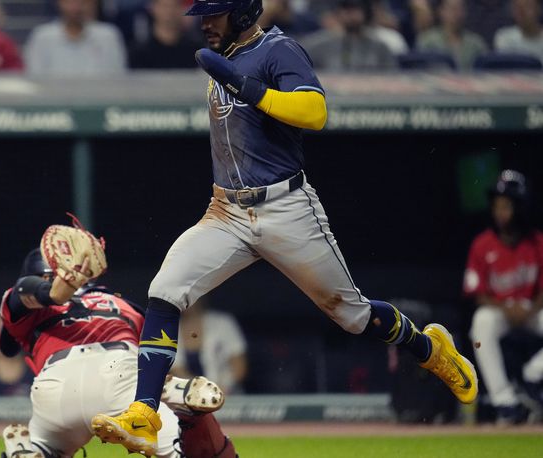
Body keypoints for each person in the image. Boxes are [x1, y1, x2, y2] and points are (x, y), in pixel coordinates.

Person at [92, 0, 478, 453]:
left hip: (286, 208)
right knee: (165, 290)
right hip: (227, 212)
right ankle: (144, 412)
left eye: (214, 15)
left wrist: (247, 87)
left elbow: (315, 113)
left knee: (352, 316)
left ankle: (429, 348)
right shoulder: (226, 55)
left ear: (240, 13)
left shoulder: (279, 49)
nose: (204, 24)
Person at [0, 248, 237, 458]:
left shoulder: (30, 310)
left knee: (45, 446)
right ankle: (176, 398)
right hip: (119, 372)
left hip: (55, 385)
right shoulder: (124, 305)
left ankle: (35, 449)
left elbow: (19, 299)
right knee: (195, 449)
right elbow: (155, 355)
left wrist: (50, 290)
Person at [465, 170, 543, 425]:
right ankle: (505, 401)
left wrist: (530, 309)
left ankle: (535, 373)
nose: (501, 212)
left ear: (520, 207)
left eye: (507, 206)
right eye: (497, 206)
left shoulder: (537, 242)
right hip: (501, 311)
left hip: (532, 309)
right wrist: (507, 309)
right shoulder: (482, 244)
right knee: (482, 321)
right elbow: (478, 294)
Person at [24, 0, 126, 77]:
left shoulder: (108, 36)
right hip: (53, 101)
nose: (76, 7)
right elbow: (34, 78)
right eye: (70, 1)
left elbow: (117, 78)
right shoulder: (42, 36)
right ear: (59, 3)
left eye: (83, 2)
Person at [172, 297, 248, 394]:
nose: (185, 302)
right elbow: (176, 369)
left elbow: (239, 367)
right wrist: (200, 391)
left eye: (189, 297)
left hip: (228, 397)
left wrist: (220, 389)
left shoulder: (223, 322)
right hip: (188, 398)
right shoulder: (169, 329)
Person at [299, 0, 395, 71]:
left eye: (355, 9)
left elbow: (393, 79)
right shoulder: (319, 45)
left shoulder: (380, 47)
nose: (350, 14)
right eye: (346, 9)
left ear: (366, 12)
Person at [416, 0, 488, 70]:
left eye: (461, 8)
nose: (457, 13)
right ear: (441, 11)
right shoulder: (428, 40)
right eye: (453, 9)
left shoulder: (476, 43)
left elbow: (487, 69)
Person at [128, 0, 201, 69]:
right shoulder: (139, 53)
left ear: (182, 8)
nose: (170, 12)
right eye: (164, 6)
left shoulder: (196, 52)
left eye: (175, 6)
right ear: (153, 8)